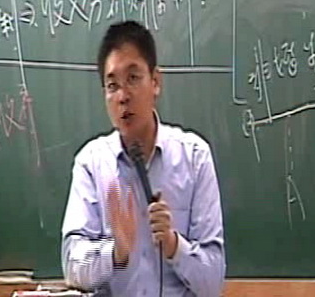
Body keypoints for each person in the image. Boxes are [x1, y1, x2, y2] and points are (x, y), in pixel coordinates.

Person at [61, 20, 225, 296]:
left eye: (133, 78)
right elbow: (72, 267)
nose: (123, 96)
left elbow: (213, 282)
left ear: (156, 82)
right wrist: (117, 251)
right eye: (112, 85)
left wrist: (173, 245)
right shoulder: (91, 164)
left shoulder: (195, 157)